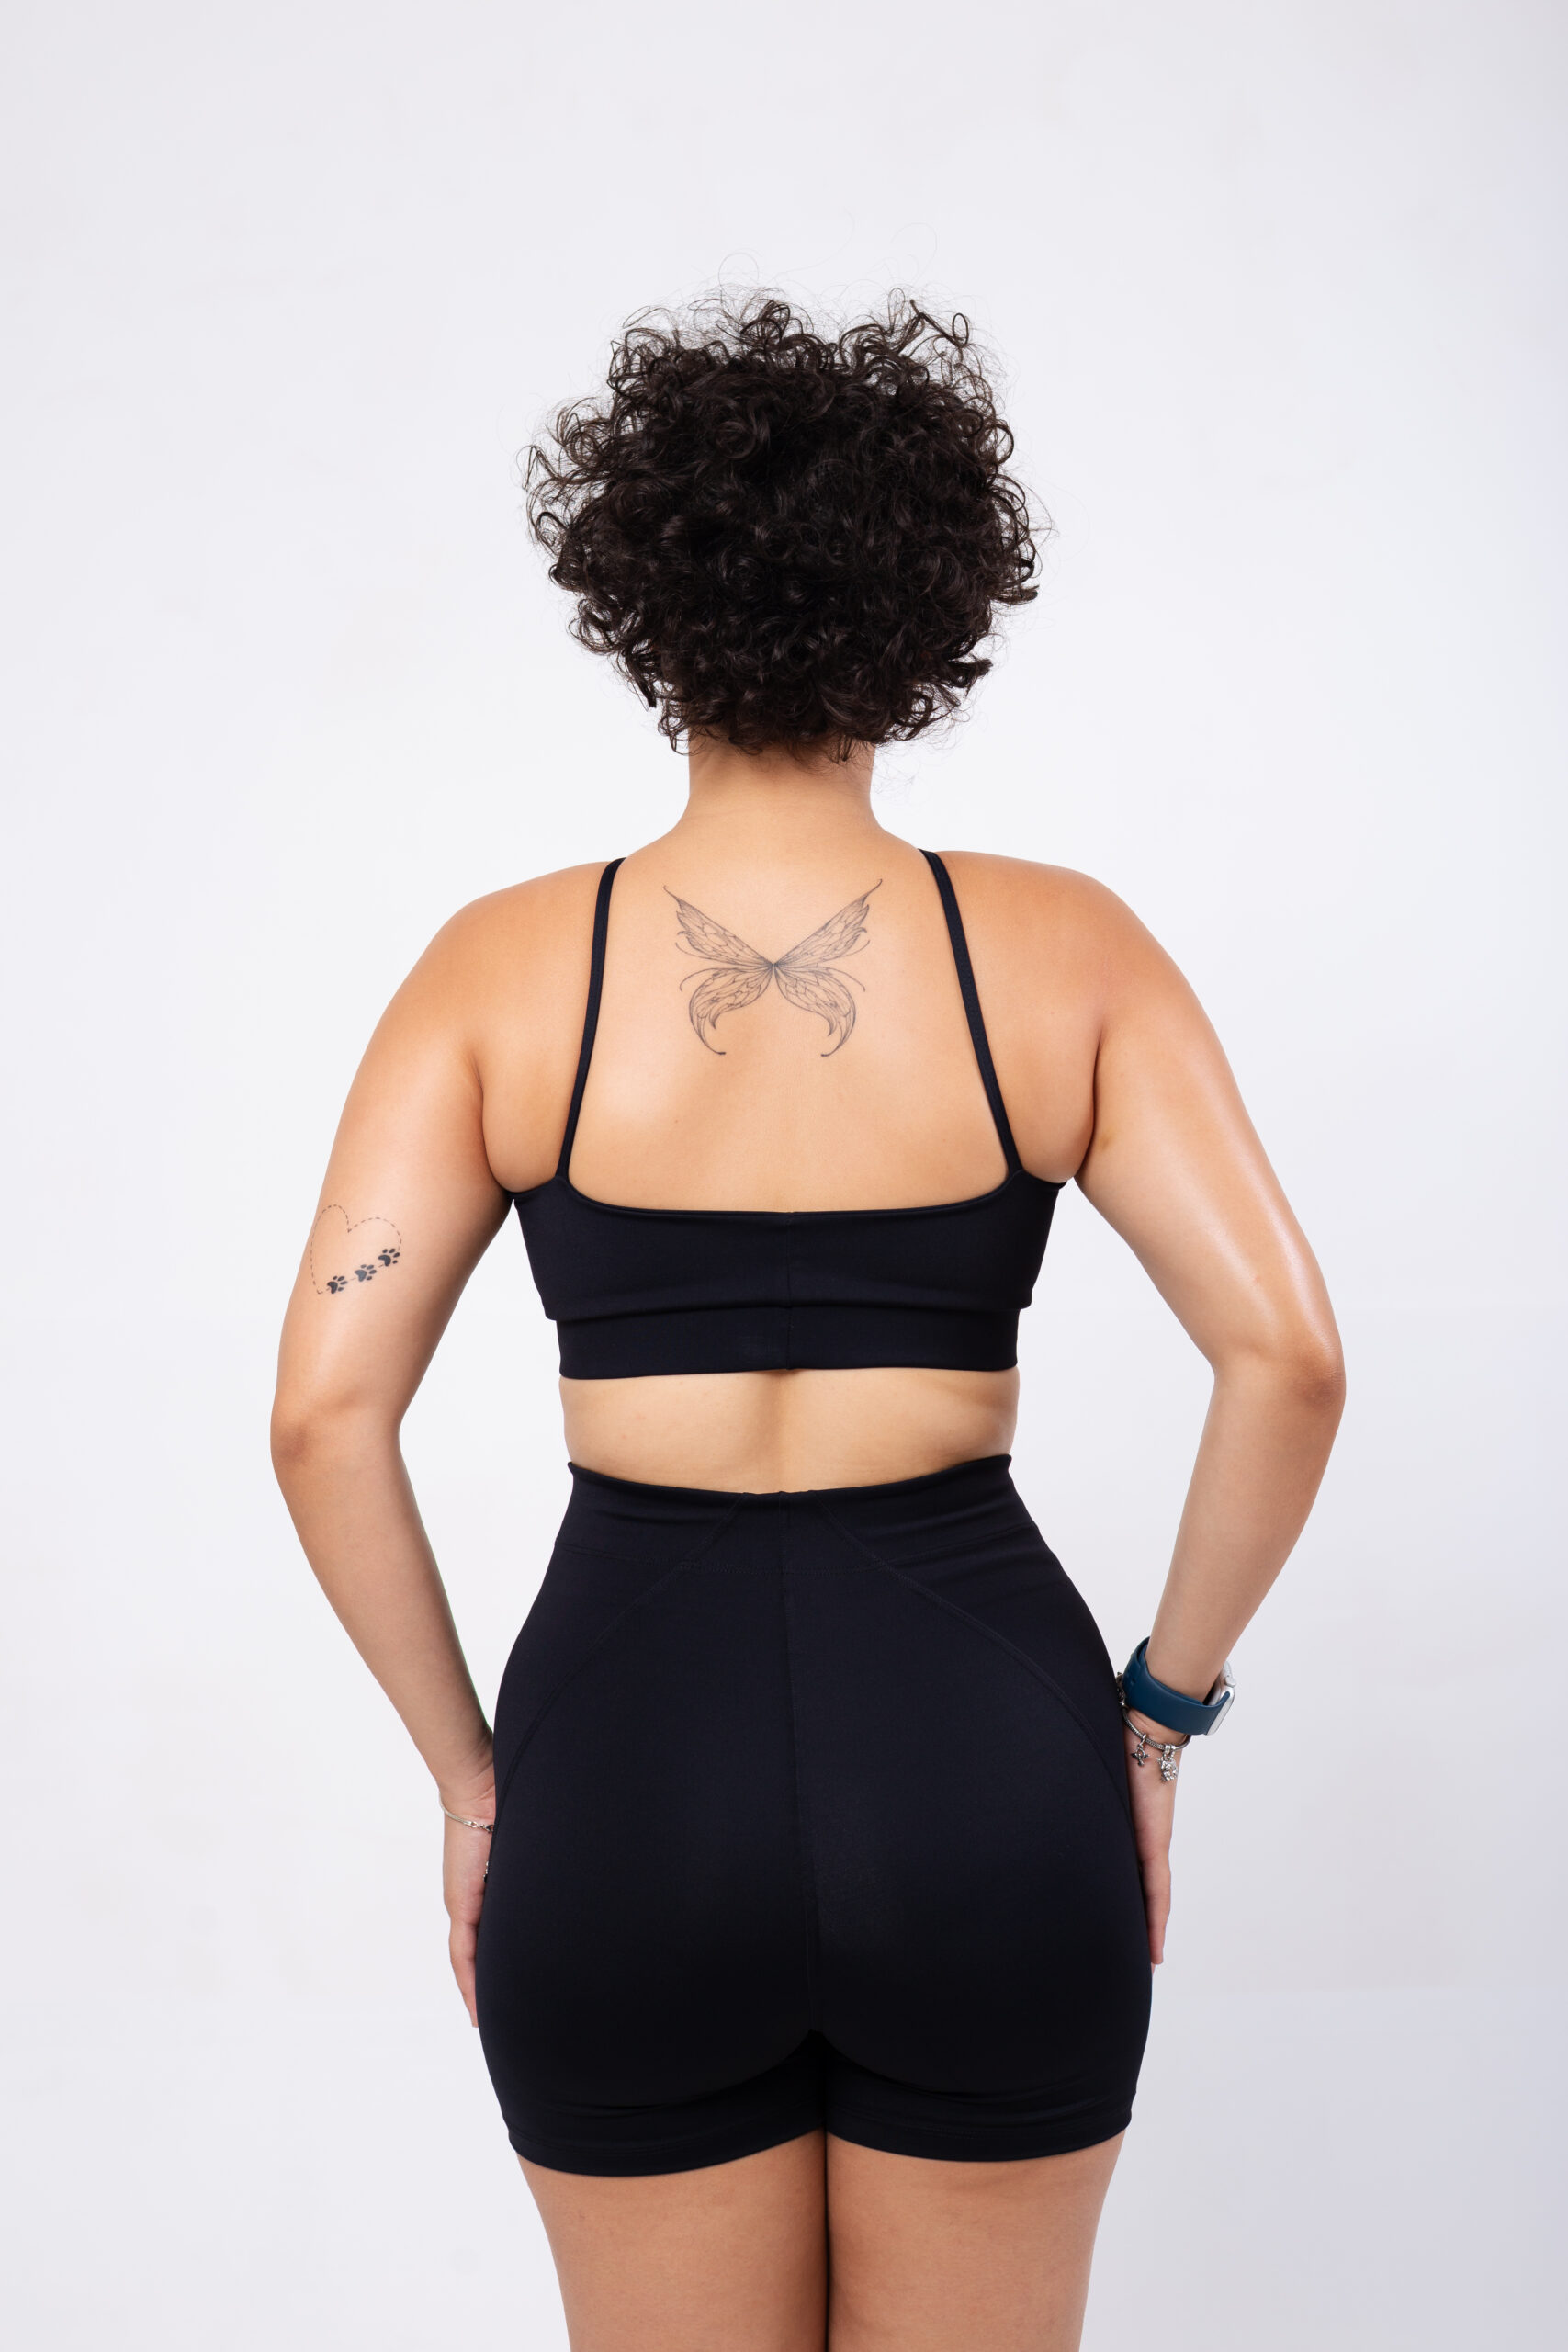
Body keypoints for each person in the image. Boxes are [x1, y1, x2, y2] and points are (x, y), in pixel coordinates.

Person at [271, 296, 1344, 2352]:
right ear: (925, 602)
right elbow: (1288, 1356)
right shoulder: (1063, 950)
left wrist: (475, 1783)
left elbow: (323, 1416)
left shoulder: (498, 970)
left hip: (621, 1769)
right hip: (984, 1764)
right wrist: (1154, 1722)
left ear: (647, 603)